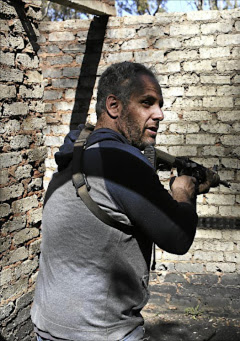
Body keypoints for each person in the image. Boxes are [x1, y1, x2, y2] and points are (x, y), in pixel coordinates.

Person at [31, 62, 211, 341]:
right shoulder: (122, 161)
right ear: (114, 106)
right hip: (100, 332)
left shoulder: (75, 154)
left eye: (160, 105)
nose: (159, 114)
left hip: (48, 325)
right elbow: (178, 237)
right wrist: (184, 190)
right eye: (147, 103)